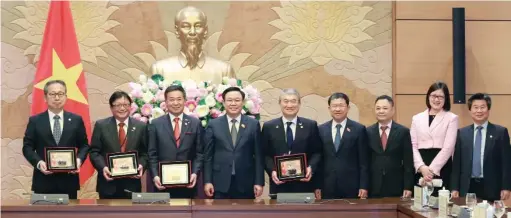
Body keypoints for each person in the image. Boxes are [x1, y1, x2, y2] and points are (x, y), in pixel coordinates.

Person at [22, 80, 89, 199]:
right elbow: (27, 147)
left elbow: (84, 145)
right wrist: (39, 163)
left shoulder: (76, 120)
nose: (57, 98)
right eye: (52, 94)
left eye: (60, 94)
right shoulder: (35, 121)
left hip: (68, 182)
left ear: (66, 97)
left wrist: (78, 161)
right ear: (45, 97)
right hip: (43, 181)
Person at [203, 87, 264, 199]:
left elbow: (259, 155)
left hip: (246, 182)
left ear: (243, 102)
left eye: (237, 100)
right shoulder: (214, 124)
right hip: (220, 182)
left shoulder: (253, 124)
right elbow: (208, 156)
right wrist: (207, 181)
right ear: (224, 102)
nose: (233, 103)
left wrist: (259, 182)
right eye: (229, 100)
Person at [261, 88, 321, 199]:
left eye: (293, 101)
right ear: (280, 103)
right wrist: (272, 171)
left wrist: (310, 168)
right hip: (279, 185)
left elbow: (317, 152)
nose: (289, 105)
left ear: (299, 104)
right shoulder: (269, 126)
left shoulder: (310, 125)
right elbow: (264, 154)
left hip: (304, 185)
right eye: (286, 101)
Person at [150, 6, 235, 84]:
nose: (193, 32)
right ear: (177, 31)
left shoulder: (224, 70)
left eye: (198, 26)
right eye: (186, 26)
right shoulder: (159, 70)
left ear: (205, 31)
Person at [451, 93, 511, 201]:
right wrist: (454, 187)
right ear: (470, 110)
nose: (479, 111)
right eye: (475, 107)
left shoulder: (500, 132)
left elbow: (506, 163)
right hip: (467, 186)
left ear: (488, 110)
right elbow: (457, 163)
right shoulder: (462, 133)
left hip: (491, 186)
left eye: (482, 107)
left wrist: (506, 187)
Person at [89, 91, 148, 199]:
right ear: (111, 108)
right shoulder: (101, 125)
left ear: (130, 107)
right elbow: (94, 152)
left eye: (126, 105)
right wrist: (103, 168)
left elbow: (145, 153)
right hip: (108, 184)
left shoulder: (141, 127)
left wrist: (141, 166)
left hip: (132, 184)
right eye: (118, 105)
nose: (122, 108)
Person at [148, 85, 203, 198]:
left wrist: (194, 173)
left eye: (179, 99)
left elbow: (200, 153)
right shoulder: (155, 124)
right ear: (166, 102)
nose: (176, 103)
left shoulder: (195, 123)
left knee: (187, 214)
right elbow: (152, 153)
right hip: (162, 183)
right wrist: (155, 175)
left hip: (188, 183)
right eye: (171, 99)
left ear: (185, 101)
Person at [317, 92, 369, 199]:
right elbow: (318, 160)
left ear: (348, 107)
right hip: (327, 185)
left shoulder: (359, 129)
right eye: (334, 106)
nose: (337, 109)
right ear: (329, 108)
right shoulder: (320, 130)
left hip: (352, 186)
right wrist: (317, 186)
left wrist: (363, 186)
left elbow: (364, 161)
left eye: (341, 105)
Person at [411, 81, 458, 195]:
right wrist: (421, 167)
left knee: (440, 203)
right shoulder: (416, 118)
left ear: (446, 99)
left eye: (441, 97)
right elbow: (413, 145)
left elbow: (448, 147)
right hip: (421, 165)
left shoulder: (452, 118)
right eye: (434, 96)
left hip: (441, 165)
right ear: (428, 97)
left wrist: (431, 171)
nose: (437, 100)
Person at [367, 95, 414, 198]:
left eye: (385, 108)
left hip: (396, 185)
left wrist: (408, 186)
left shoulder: (403, 132)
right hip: (373, 185)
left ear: (392, 110)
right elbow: (364, 162)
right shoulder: (367, 132)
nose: (381, 111)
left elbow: (408, 162)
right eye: (378, 108)